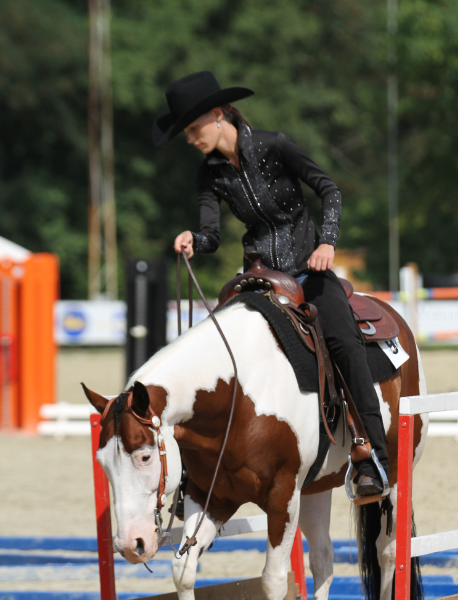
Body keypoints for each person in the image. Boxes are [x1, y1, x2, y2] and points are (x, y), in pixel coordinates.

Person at [153, 70, 388, 496]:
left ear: (218, 114)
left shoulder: (274, 144)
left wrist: (328, 243)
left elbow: (329, 190)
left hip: (310, 271)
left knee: (344, 343)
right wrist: (194, 240)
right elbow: (213, 235)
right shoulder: (209, 175)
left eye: (192, 129)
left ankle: (372, 456)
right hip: (259, 277)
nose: (190, 139)